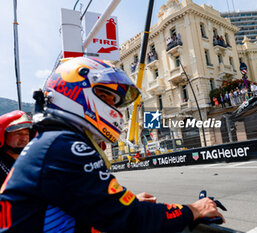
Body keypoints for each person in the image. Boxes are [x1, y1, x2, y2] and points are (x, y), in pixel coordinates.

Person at [0, 57, 224, 232]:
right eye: (106, 96)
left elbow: (78, 204)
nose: (113, 108)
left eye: (114, 101)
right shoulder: (64, 146)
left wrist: (116, 203)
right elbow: (130, 219)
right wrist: (195, 209)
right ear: (75, 91)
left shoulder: (53, 142)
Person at [0, 110, 33, 185]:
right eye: (18, 134)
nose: (24, 139)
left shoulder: (33, 163)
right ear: (4, 136)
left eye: (27, 134)